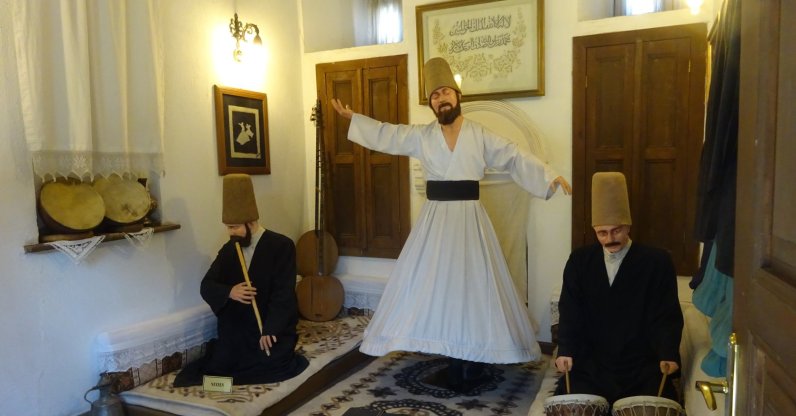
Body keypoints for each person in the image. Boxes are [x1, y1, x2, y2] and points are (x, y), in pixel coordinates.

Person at [330, 57, 571, 391]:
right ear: (431, 103)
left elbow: (514, 155)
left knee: (473, 289)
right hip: (435, 223)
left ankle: (472, 359)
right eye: (434, 96)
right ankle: (450, 357)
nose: (440, 99)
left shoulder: (480, 135)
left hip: (470, 220)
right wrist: (353, 119)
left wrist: (549, 175)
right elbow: (388, 135)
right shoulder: (422, 136)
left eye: (445, 92)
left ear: (457, 96)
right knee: (438, 288)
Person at [554, 172, 683, 404]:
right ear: (594, 230)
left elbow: (666, 314)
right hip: (592, 362)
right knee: (571, 402)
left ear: (628, 226)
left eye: (617, 231)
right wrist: (566, 349)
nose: (609, 239)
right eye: (602, 233)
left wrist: (668, 353)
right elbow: (570, 310)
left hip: (639, 363)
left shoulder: (657, 262)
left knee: (657, 402)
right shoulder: (579, 261)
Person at [174, 174, 308, 387]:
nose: (230, 232)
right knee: (219, 366)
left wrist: (271, 329)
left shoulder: (281, 246)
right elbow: (207, 285)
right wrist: (230, 292)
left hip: (268, 327)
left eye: (235, 226)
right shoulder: (229, 249)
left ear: (251, 222)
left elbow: (283, 294)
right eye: (228, 226)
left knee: (273, 363)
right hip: (237, 331)